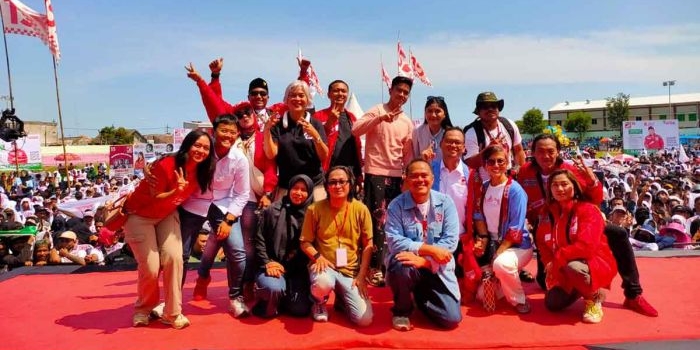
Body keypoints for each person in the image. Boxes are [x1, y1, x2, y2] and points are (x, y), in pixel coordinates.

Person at [518, 133, 658, 317]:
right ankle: (580, 283)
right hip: (547, 227)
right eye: (540, 151)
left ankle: (633, 294)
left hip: (578, 224)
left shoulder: (571, 170)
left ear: (558, 152)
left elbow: (594, 199)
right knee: (546, 286)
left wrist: (592, 181)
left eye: (551, 151)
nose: (546, 156)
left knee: (618, 234)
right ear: (532, 153)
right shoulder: (524, 172)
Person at [123, 130, 216, 329]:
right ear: (187, 145)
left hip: (166, 215)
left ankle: (173, 313)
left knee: (175, 258)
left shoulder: (203, 170)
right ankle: (143, 310)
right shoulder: (166, 166)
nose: (201, 151)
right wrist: (176, 191)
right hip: (140, 216)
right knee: (151, 267)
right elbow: (152, 197)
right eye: (197, 145)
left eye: (206, 148)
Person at [177, 114, 251, 317]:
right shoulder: (202, 152)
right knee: (180, 254)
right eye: (224, 130)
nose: (228, 135)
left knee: (237, 251)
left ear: (237, 135)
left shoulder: (239, 159)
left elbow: (242, 193)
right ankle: (173, 300)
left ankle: (235, 297)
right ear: (214, 131)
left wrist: (229, 219)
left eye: (233, 132)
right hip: (194, 203)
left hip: (223, 205)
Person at [384, 159, 462, 331]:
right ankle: (402, 311)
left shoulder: (446, 203)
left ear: (432, 179)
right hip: (410, 265)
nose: (420, 180)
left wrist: (426, 262)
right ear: (406, 179)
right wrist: (428, 249)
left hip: (437, 268)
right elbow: (394, 240)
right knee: (400, 264)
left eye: (424, 175)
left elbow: (450, 242)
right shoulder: (396, 205)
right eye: (414, 176)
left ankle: (419, 297)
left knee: (451, 319)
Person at [351, 76, 414, 286]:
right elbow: (356, 130)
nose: (402, 95)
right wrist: (380, 119)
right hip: (375, 173)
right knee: (375, 223)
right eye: (399, 91)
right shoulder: (377, 110)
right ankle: (373, 268)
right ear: (390, 90)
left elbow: (407, 153)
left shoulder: (407, 122)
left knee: (394, 223)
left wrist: (408, 175)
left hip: (397, 176)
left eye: (406, 92)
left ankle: (390, 265)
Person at [536, 169, 617, 324]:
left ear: (575, 186)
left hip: (593, 262)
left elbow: (586, 247)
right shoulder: (547, 212)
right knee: (552, 304)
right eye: (555, 185)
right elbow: (541, 241)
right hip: (563, 265)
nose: (559, 189)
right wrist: (548, 263)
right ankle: (581, 287)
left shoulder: (588, 210)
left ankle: (593, 299)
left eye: (564, 184)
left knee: (573, 267)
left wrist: (558, 259)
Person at [300, 166, 373, 326]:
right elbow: (305, 242)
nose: (338, 186)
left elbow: (368, 245)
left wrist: (361, 275)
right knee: (323, 283)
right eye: (333, 182)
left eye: (342, 181)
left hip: (350, 271)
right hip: (324, 267)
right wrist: (317, 257)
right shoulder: (314, 209)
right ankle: (318, 302)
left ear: (350, 184)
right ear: (326, 186)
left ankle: (342, 299)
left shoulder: (361, 209)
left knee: (364, 320)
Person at [470, 145, 533, 313]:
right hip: (493, 243)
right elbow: (478, 216)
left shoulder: (515, 190)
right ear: (484, 165)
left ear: (508, 163)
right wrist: (482, 240)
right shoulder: (483, 187)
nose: (496, 165)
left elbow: (515, 229)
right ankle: (502, 280)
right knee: (483, 296)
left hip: (517, 246)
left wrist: (497, 253)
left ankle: (518, 299)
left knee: (501, 264)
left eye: (501, 161)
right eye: (491, 161)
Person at [253, 175, 315, 318]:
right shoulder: (272, 210)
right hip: (272, 265)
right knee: (273, 288)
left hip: (297, 270)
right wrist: (267, 262)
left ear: (310, 193)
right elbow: (259, 239)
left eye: (304, 190)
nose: (298, 193)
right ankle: (269, 298)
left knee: (300, 310)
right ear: (289, 189)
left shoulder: (313, 215)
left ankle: (283, 297)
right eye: (295, 188)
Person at [263, 80, 329, 201]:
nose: (297, 98)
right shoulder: (277, 125)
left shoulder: (316, 124)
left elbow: (324, 156)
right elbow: (271, 154)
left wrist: (315, 136)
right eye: (292, 95)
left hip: (314, 185)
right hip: (287, 186)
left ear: (308, 100)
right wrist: (266, 130)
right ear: (286, 100)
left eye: (301, 95)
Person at [463, 91, 526, 181]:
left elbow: (519, 151)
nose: (490, 109)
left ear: (498, 109)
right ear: (478, 112)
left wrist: (520, 172)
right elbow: (470, 163)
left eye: (494, 106)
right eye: (485, 107)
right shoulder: (471, 132)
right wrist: (489, 149)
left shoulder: (509, 125)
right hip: (485, 183)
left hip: (509, 179)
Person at [311, 80, 363, 180]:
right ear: (329, 94)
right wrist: (329, 123)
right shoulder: (318, 116)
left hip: (349, 174)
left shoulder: (352, 117)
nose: (340, 94)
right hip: (327, 172)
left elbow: (357, 147)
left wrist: (359, 174)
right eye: (336, 91)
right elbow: (314, 143)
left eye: (343, 91)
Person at [413, 96, 454, 163]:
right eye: (429, 111)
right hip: (424, 171)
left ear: (444, 114)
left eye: (437, 111)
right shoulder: (417, 132)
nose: (433, 115)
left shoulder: (451, 133)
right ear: (425, 113)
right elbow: (414, 158)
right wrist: (422, 156)